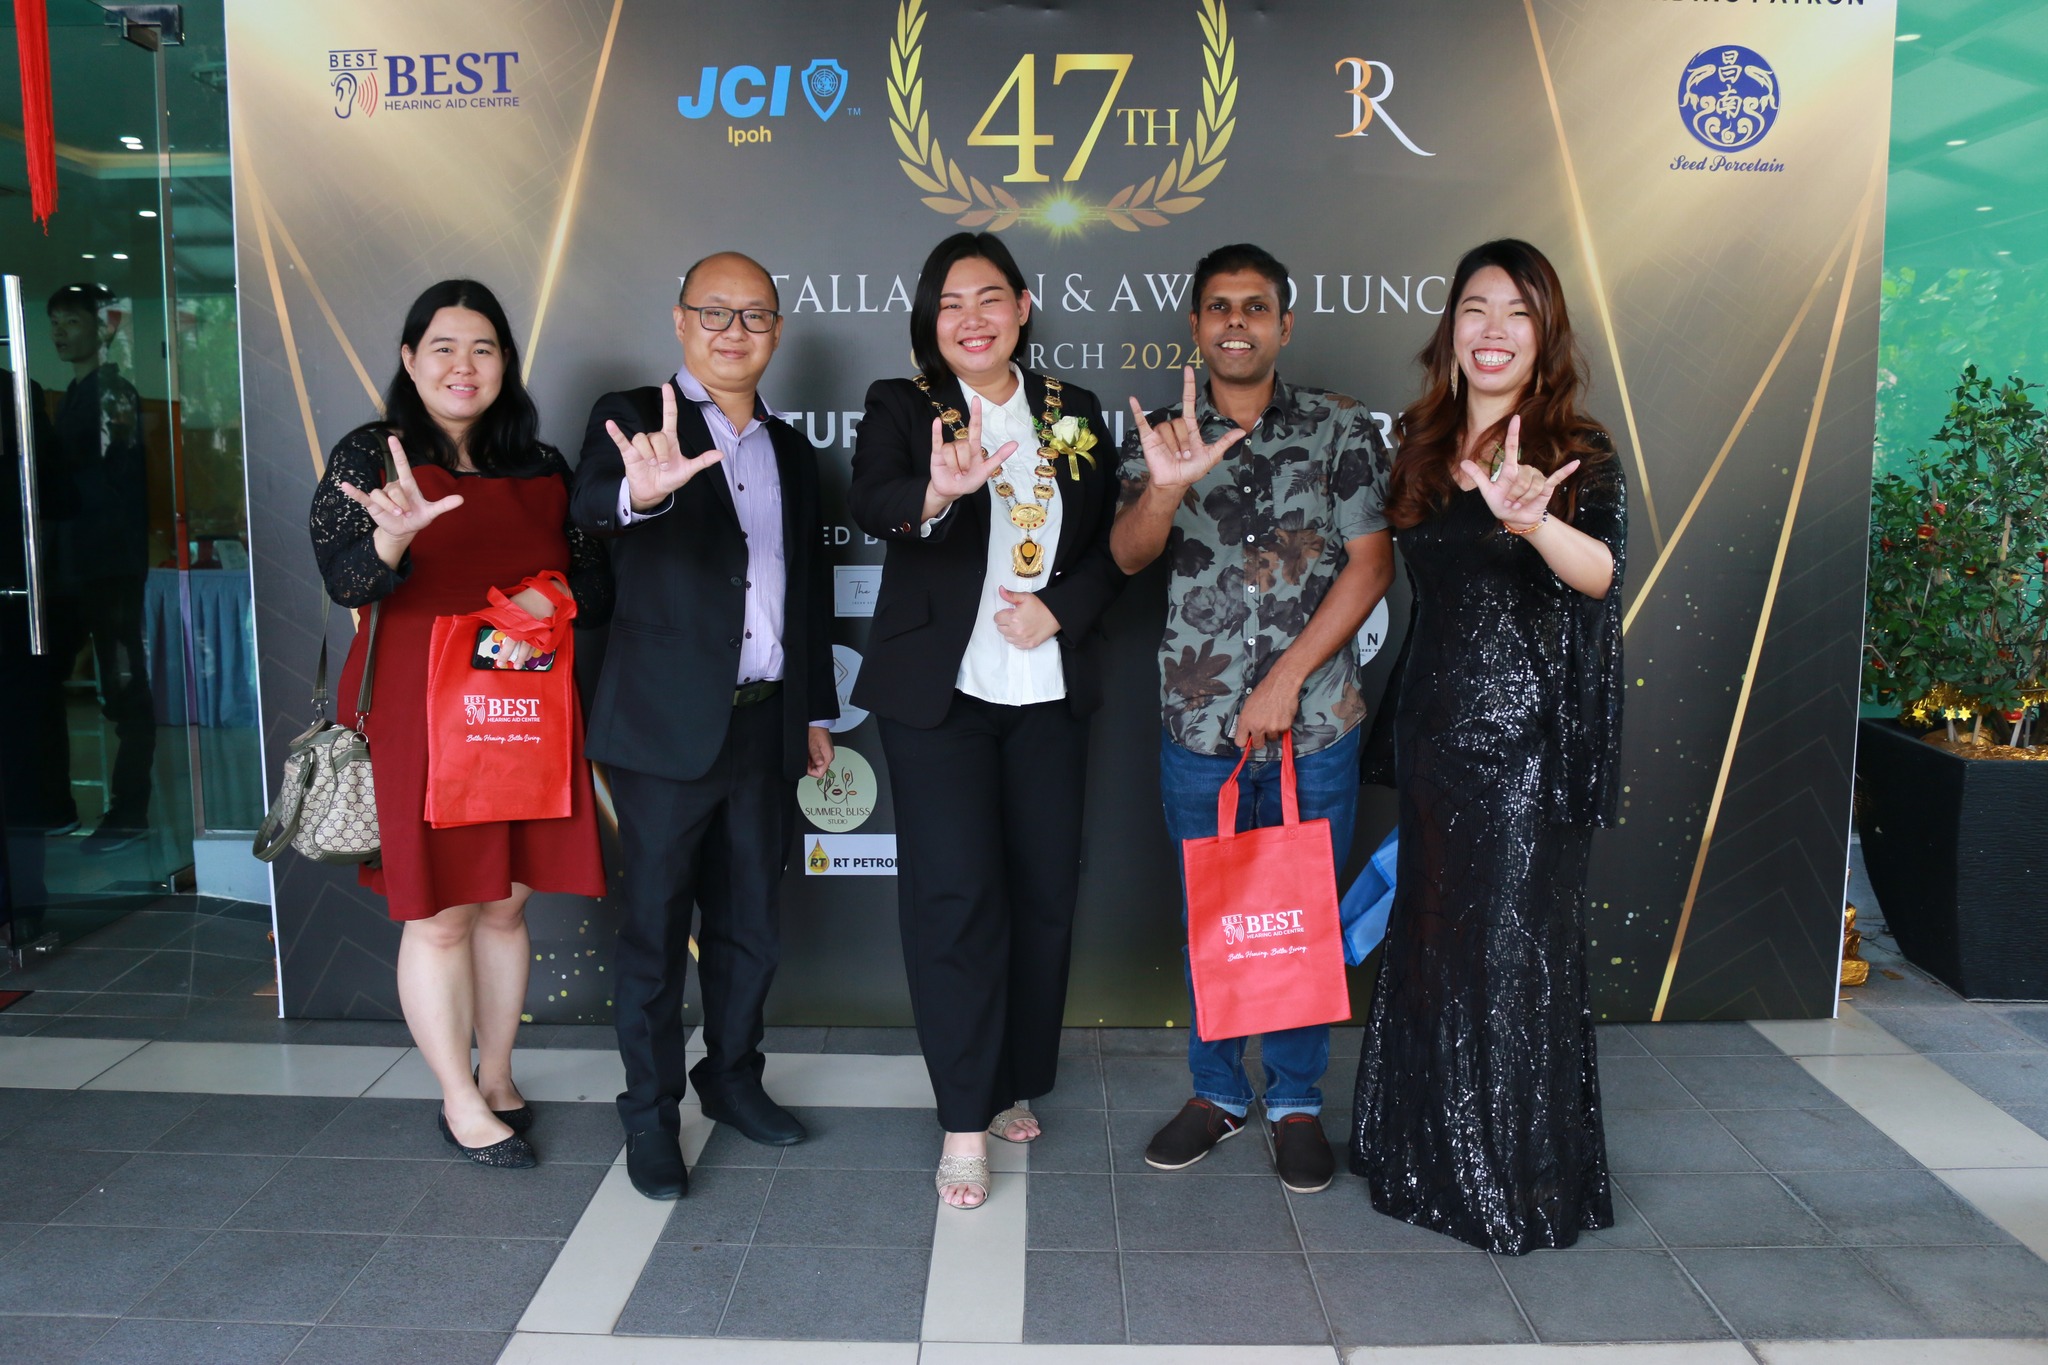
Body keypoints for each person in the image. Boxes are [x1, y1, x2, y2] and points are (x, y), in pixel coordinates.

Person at [1349, 238, 1626, 1254]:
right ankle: (1418, 1154)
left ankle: (1509, 1179)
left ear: (1544, 333)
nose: (1494, 330)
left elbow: (1601, 574)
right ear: (1450, 326)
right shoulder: (1419, 441)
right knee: (1430, 944)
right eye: (1475, 307)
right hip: (1435, 735)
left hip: (1525, 749)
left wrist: (1531, 522)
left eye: (1517, 312)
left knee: (1508, 955)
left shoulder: (1574, 448)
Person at [848, 232, 1125, 1209]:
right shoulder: (902, 405)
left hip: (1046, 688)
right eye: (950, 303)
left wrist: (1061, 609)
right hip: (942, 695)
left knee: (1041, 895)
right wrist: (939, 490)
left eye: (989, 298)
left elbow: (1113, 548)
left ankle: (1012, 1078)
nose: (971, 318)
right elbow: (874, 499)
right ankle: (963, 1121)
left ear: (1022, 306)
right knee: (955, 899)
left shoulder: (1071, 410)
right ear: (930, 320)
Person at [1111, 243, 1395, 1196]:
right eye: (1220, 307)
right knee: (1217, 912)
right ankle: (1218, 1093)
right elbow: (1128, 556)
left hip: (1316, 728)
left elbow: (1372, 564)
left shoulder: (1341, 425)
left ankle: (1298, 1102)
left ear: (1284, 324)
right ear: (1196, 325)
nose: (1237, 321)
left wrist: (1285, 681)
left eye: (1256, 306)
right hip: (1199, 731)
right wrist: (1166, 484)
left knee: (1301, 918)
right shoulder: (1160, 434)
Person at [310, 279, 611, 1167]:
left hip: (520, 711)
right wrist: (394, 538)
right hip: (419, 714)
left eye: (482, 348)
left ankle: (499, 1074)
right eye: (442, 347)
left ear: (505, 362)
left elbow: (596, 585)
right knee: (442, 914)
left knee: (506, 907)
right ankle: (458, 1097)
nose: (463, 365)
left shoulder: (542, 464)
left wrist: (549, 593)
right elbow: (343, 578)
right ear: (410, 359)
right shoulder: (372, 454)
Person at [571, 251, 837, 1202]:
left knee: (751, 927)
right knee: (653, 933)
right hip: (661, 731)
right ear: (681, 322)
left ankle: (731, 1079)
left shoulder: (792, 452)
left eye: (754, 315)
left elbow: (804, 591)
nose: (734, 331)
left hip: (763, 726)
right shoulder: (634, 417)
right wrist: (642, 492)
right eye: (714, 313)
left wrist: (813, 710)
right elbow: (592, 508)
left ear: (777, 332)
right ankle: (649, 1115)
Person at [45, 284, 155, 852]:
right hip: (78, 565)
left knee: (125, 690)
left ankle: (130, 812)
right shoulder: (76, 393)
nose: (60, 332)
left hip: (108, 565)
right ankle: (60, 806)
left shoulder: (112, 393)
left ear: (99, 328)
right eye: (55, 322)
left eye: (71, 321)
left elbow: (115, 487)